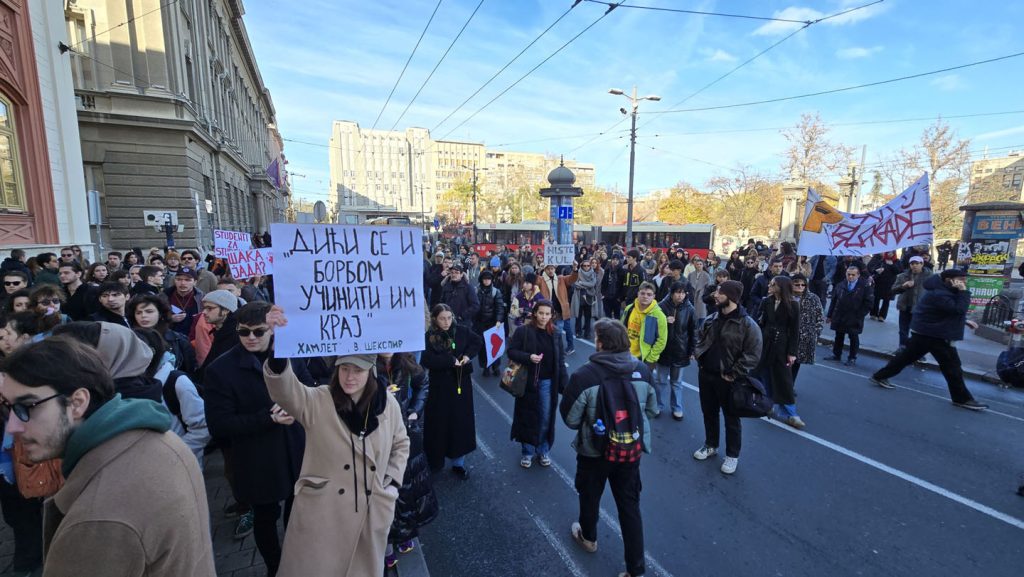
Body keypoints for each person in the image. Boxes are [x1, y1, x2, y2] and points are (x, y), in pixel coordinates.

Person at [0, 337, 216, 576]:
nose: (12, 427)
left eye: (27, 407)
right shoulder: (160, 437)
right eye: (8, 408)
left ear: (77, 402)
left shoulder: (95, 522)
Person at [259, 312, 410, 577]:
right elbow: (285, 391)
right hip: (322, 517)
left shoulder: (388, 404)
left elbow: (401, 443)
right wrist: (279, 346)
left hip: (371, 511)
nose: (349, 377)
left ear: (371, 372)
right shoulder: (319, 400)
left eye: (358, 370)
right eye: (344, 369)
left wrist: (391, 484)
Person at [204, 301, 314, 576]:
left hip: (295, 449)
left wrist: (300, 403)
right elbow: (219, 425)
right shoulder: (220, 370)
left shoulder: (291, 355)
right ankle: (275, 566)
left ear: (272, 331)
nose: (250, 338)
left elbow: (311, 385)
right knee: (265, 517)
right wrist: (267, 418)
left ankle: (297, 558)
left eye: (258, 331)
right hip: (257, 458)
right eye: (243, 332)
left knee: (297, 509)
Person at [560, 318, 657, 577]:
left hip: (595, 449)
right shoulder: (643, 370)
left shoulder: (584, 375)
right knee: (629, 505)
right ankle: (636, 568)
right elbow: (652, 409)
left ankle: (588, 537)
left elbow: (569, 419)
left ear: (600, 343)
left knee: (590, 495)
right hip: (629, 450)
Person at [870, 269, 989, 410]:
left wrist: (964, 321)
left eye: (964, 280)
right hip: (936, 335)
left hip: (927, 333)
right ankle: (962, 398)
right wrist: (964, 292)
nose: (964, 282)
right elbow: (958, 309)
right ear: (949, 280)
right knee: (953, 368)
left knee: (904, 358)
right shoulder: (939, 293)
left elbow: (948, 311)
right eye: (961, 279)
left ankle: (879, 376)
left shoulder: (942, 291)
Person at [692, 280, 762, 475]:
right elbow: (700, 337)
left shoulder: (748, 325)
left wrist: (733, 373)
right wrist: (699, 356)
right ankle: (710, 445)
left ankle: (732, 456)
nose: (715, 295)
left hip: (729, 380)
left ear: (731, 297)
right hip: (706, 374)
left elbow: (753, 354)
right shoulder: (712, 318)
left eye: (720, 293)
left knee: (731, 418)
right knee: (709, 412)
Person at [376, 351, 435, 568]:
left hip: (405, 433)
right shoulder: (366, 365)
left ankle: (404, 532)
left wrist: (415, 411)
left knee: (406, 486)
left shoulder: (406, 361)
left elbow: (423, 383)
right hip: (377, 436)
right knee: (383, 488)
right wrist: (380, 394)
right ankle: (387, 543)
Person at [420, 304, 481, 479]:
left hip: (460, 384)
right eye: (442, 318)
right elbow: (427, 360)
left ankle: (458, 463)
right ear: (435, 319)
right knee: (438, 424)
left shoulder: (462, 331)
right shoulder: (428, 337)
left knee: (460, 423)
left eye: (449, 318)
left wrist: (468, 356)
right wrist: (448, 360)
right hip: (439, 387)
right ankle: (435, 461)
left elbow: (477, 342)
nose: (446, 322)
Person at [133, 327, 210, 466]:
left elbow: (202, 427)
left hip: (180, 464)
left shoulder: (176, 381)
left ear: (151, 352)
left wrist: (176, 454)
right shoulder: (128, 382)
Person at [507, 300, 568, 468]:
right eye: (541, 313)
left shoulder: (555, 333)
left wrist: (566, 384)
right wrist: (528, 357)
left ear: (552, 315)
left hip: (548, 383)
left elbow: (560, 361)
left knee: (545, 417)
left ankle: (543, 449)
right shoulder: (523, 331)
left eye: (547, 314)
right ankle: (527, 451)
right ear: (534, 313)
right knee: (527, 416)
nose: (544, 317)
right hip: (527, 381)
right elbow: (511, 351)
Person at [756, 275, 803, 428]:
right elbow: (760, 322)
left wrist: (792, 352)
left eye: (773, 284)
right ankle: (768, 405)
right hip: (765, 342)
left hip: (782, 346)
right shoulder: (766, 301)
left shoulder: (793, 305)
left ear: (781, 287)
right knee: (764, 375)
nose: (770, 286)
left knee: (784, 380)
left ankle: (791, 414)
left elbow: (795, 331)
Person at [128, 293, 198, 377]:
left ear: (160, 314)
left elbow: (190, 370)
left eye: (149, 312)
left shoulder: (178, 340)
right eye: (138, 313)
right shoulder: (128, 338)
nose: (143, 316)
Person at [656, 280, 696, 421]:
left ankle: (677, 407)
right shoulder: (661, 307)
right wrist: (664, 321)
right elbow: (653, 326)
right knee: (660, 381)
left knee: (676, 383)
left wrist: (692, 350)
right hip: (663, 350)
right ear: (671, 293)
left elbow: (693, 331)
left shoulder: (690, 309)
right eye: (677, 292)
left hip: (681, 350)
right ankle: (657, 405)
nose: (680, 296)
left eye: (683, 293)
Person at [825, 263, 873, 366]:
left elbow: (868, 303)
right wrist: (829, 315)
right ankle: (836, 355)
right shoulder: (840, 285)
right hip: (840, 315)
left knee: (853, 337)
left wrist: (859, 315)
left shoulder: (864, 286)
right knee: (839, 336)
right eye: (848, 274)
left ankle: (852, 357)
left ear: (858, 275)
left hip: (854, 316)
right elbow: (834, 301)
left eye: (853, 275)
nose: (850, 277)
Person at [621, 282, 668, 370]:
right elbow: (621, 329)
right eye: (642, 293)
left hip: (644, 359)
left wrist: (650, 358)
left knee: (640, 384)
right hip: (625, 355)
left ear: (654, 296)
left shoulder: (659, 316)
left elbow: (662, 340)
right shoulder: (629, 308)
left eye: (649, 294)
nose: (645, 296)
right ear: (638, 294)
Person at [891, 256, 933, 348]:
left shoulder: (929, 276)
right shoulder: (903, 276)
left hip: (920, 308)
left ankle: (916, 352)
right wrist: (903, 286)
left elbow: (935, 291)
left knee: (919, 331)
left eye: (917, 263)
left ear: (922, 264)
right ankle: (902, 348)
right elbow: (893, 290)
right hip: (905, 306)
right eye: (912, 264)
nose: (914, 266)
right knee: (903, 330)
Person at [790, 273, 825, 383]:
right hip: (787, 335)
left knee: (796, 363)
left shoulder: (813, 298)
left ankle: (790, 386)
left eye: (802, 285)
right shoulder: (785, 296)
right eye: (797, 284)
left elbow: (820, 317)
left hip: (803, 337)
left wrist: (815, 333)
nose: (800, 287)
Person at [537, 263, 577, 355]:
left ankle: (569, 347)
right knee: (551, 331)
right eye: (548, 269)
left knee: (564, 330)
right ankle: (555, 348)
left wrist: (575, 269)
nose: (551, 271)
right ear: (545, 270)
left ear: (555, 269)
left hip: (561, 310)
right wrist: (539, 270)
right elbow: (535, 281)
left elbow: (572, 279)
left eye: (552, 268)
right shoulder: (541, 279)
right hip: (549, 311)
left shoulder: (561, 278)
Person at [473, 269, 505, 376]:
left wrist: (498, 320)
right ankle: (485, 367)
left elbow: (500, 307)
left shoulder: (496, 292)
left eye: (489, 279)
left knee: (495, 346)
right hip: (479, 324)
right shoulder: (476, 291)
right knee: (482, 347)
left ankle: (496, 367)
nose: (486, 281)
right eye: (485, 279)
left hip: (493, 324)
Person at [165, 267, 203, 337]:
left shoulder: (202, 298)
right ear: (174, 280)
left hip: (193, 337)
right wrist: (169, 318)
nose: (182, 283)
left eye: (187, 280)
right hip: (169, 337)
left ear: (195, 282)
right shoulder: (164, 295)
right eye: (179, 279)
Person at [439, 262, 479, 328]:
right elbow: (442, 303)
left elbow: (475, 306)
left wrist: (462, 316)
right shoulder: (446, 287)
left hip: (463, 324)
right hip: (448, 323)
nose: (454, 274)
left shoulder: (468, 287)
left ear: (461, 274)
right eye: (452, 272)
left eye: (456, 272)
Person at [867, 252, 901, 322]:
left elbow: (899, 271)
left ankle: (882, 316)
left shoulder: (896, 261)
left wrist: (892, 265)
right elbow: (873, 270)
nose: (889, 254)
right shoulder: (882, 261)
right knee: (876, 298)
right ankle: (874, 314)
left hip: (890, 283)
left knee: (886, 300)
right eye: (888, 252)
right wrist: (877, 270)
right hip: (879, 282)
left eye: (891, 252)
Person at [572, 259, 599, 340]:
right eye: (584, 265)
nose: (586, 267)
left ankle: (587, 333)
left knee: (588, 317)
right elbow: (575, 284)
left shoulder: (593, 273)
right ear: (581, 266)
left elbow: (592, 284)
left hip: (589, 297)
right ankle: (578, 332)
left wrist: (582, 283)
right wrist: (585, 285)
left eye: (588, 265)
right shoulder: (578, 272)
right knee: (578, 316)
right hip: (579, 297)